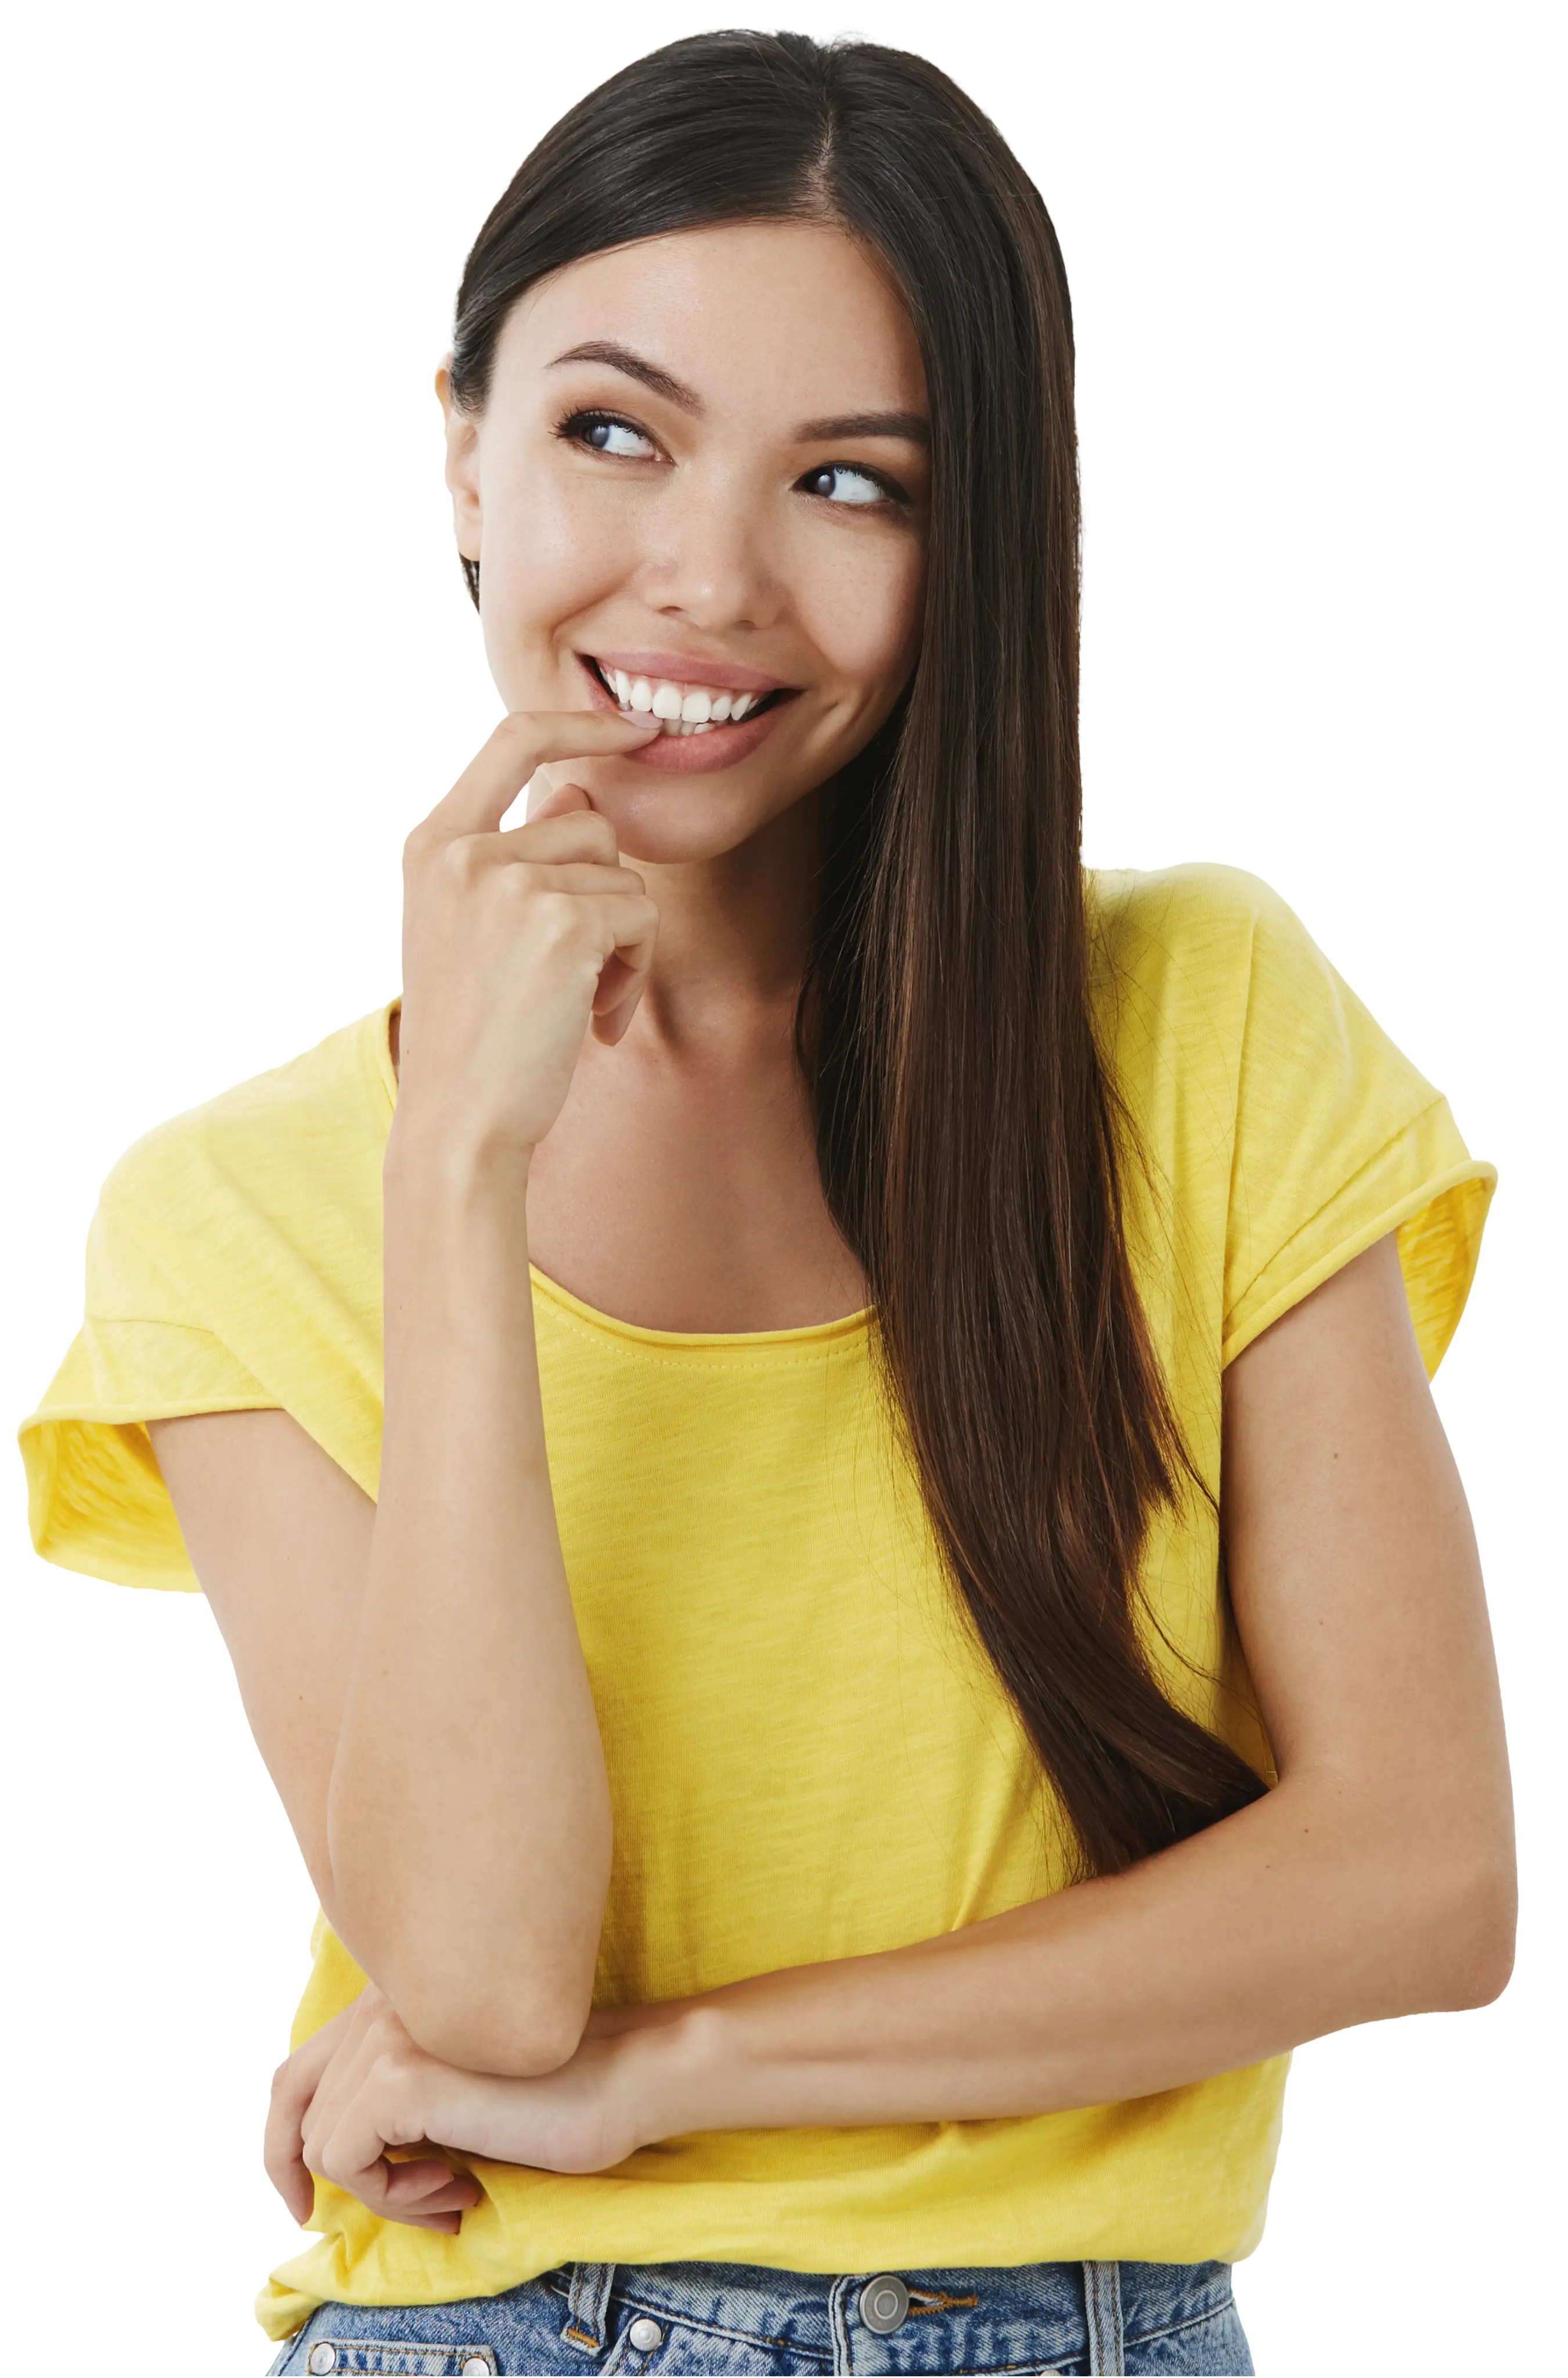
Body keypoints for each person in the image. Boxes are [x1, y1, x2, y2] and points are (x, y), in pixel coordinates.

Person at [16, 28, 1513, 2377]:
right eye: (614, 432)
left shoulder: (1200, 1021)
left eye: (852, 479)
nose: (707, 577)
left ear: (976, 545)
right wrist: (458, 1178)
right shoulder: (244, 1209)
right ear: (462, 451)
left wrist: (662, 2079)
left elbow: (1420, 1878)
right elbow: (487, 1980)